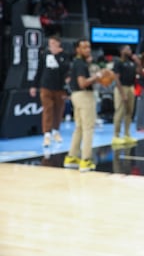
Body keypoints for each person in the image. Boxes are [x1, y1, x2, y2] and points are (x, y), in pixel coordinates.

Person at [63, 39, 101, 172]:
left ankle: (71, 157)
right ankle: (86, 160)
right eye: (84, 47)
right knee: (88, 128)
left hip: (76, 96)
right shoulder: (80, 64)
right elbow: (82, 83)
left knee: (79, 128)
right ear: (77, 50)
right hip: (84, 96)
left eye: (89, 47)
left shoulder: (79, 62)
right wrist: (96, 77)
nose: (87, 50)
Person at [29, 35, 70, 148]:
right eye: (50, 43)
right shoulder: (44, 54)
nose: (51, 46)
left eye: (53, 43)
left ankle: (56, 131)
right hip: (45, 86)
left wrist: (56, 56)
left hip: (59, 87)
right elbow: (39, 70)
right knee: (48, 109)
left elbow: (65, 70)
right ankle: (46, 134)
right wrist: (33, 86)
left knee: (58, 110)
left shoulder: (64, 55)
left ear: (58, 44)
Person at [112, 45, 139, 146]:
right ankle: (116, 136)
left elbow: (139, 72)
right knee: (119, 112)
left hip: (131, 87)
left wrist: (138, 62)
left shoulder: (132, 62)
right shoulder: (118, 62)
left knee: (129, 112)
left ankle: (127, 134)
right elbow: (116, 78)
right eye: (127, 49)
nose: (130, 51)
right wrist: (122, 93)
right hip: (121, 88)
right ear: (122, 51)